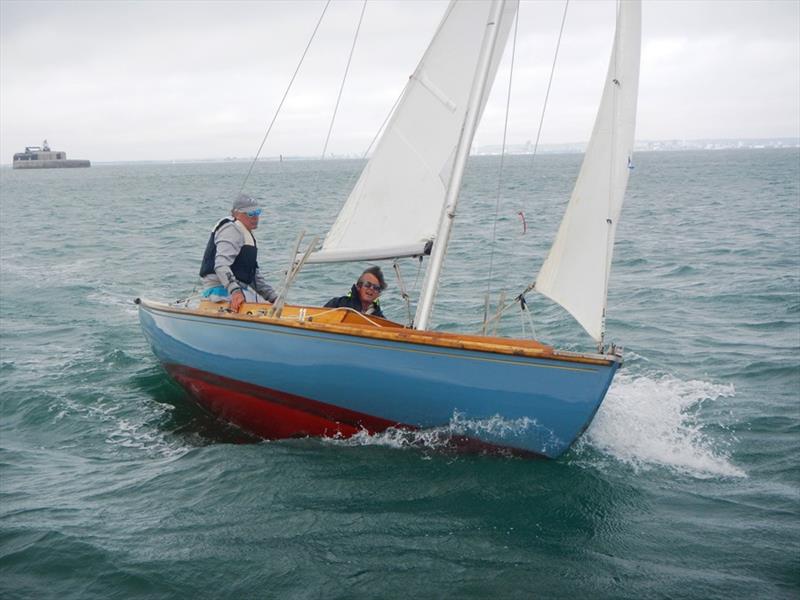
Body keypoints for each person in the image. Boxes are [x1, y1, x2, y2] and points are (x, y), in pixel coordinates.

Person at [199, 193, 277, 313]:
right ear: (236, 214)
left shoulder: (245, 234)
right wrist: (235, 291)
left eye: (257, 212)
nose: (255, 217)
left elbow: (253, 276)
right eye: (250, 213)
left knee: (274, 309)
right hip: (221, 292)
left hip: (240, 289)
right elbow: (221, 265)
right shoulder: (231, 229)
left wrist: (274, 298)